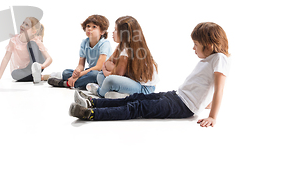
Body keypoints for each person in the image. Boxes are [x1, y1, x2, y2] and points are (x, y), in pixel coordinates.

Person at [70, 22, 230, 128]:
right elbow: (205, 85)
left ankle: (91, 114)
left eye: (196, 45)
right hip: (177, 96)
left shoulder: (219, 58)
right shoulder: (211, 59)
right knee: (136, 98)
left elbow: (219, 89)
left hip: (183, 106)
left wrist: (212, 116)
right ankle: (93, 102)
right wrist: (204, 102)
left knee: (137, 108)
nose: (193, 48)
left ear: (209, 46)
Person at [86, 16, 158, 98]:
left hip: (144, 89)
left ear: (124, 34)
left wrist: (107, 72)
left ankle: (99, 92)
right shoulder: (120, 47)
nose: (113, 32)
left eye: (116, 30)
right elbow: (107, 63)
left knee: (110, 80)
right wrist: (110, 69)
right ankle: (121, 95)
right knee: (100, 75)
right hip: (130, 82)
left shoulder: (127, 51)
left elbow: (117, 74)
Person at [48, 15, 112, 89]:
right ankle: (80, 82)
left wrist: (80, 74)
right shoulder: (84, 43)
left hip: (101, 73)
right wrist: (77, 72)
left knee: (94, 75)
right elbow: (81, 65)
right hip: (89, 71)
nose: (89, 29)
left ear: (102, 32)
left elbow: (98, 67)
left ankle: (67, 83)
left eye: (94, 27)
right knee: (66, 72)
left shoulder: (104, 43)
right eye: (88, 26)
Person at [0, 17, 52, 83]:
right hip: (26, 70)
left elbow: (49, 58)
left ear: (34, 32)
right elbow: (6, 58)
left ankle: (36, 72)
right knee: (14, 74)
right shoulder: (14, 40)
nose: (22, 25)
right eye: (23, 23)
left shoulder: (35, 40)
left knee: (31, 43)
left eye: (26, 25)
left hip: (37, 65)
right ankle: (40, 77)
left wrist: (42, 66)